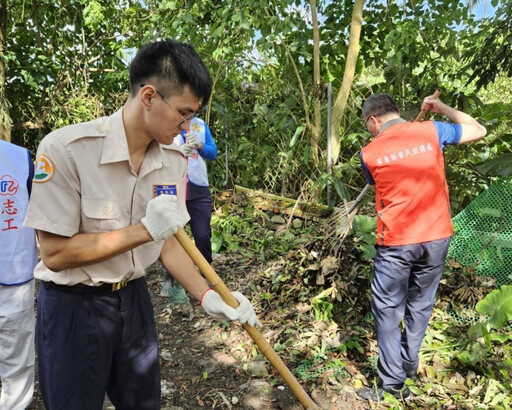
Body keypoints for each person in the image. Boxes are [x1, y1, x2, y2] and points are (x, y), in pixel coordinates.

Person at [23, 39, 260, 410]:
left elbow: (169, 242)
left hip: (133, 301)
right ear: (148, 96)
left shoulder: (173, 159)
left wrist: (208, 295)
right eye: (183, 114)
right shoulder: (67, 149)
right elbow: (55, 253)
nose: (187, 126)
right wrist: (144, 231)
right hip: (73, 307)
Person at [356, 92, 487, 401]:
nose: (368, 131)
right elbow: (478, 129)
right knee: (420, 303)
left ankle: (392, 385)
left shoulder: (369, 153)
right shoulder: (432, 130)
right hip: (437, 235)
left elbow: (376, 180)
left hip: (397, 242)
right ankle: (409, 363)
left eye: (367, 126)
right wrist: (441, 109)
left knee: (388, 311)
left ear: (373, 120)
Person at [160, 117, 217, 306]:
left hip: (199, 188)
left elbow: (213, 152)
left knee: (202, 234)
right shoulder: (164, 121)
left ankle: (206, 273)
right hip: (172, 188)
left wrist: (200, 146)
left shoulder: (200, 124)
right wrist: (175, 153)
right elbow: (154, 154)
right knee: (174, 236)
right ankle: (170, 276)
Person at [0, 140, 38, 409]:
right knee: (16, 356)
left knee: (16, 353)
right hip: (13, 270)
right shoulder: (17, 158)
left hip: (13, 272)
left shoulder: (20, 159)